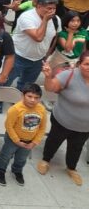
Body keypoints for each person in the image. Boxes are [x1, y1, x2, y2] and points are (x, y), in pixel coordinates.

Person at [38, 57, 89, 186]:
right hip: (63, 120)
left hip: (84, 127)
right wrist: (48, 77)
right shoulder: (69, 75)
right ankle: (46, 160)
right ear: (79, 64)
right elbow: (50, 88)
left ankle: (71, 168)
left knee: (76, 147)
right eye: (87, 64)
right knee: (53, 141)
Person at [0, 83, 47, 186]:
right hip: (13, 139)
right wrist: (17, 141)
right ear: (23, 96)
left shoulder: (41, 110)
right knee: (5, 156)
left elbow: (42, 128)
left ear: (40, 99)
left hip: (29, 141)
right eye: (29, 96)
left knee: (22, 158)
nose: (33, 100)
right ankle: (0, 170)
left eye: (36, 97)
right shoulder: (15, 109)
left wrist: (35, 142)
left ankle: (17, 171)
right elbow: (9, 126)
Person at [9, 0, 59, 91]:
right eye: (49, 8)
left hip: (38, 59)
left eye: (54, 8)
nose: (52, 11)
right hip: (18, 56)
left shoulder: (56, 19)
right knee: (6, 80)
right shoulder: (26, 17)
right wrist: (45, 20)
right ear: (39, 6)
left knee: (27, 84)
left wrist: (48, 53)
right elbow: (38, 37)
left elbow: (55, 36)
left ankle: (21, 101)